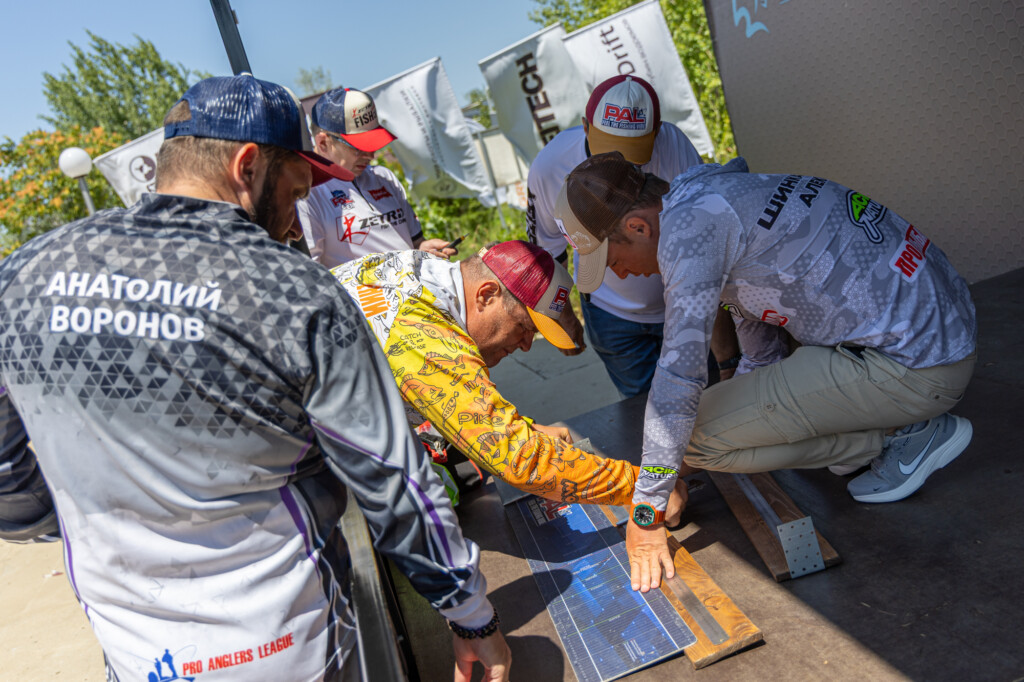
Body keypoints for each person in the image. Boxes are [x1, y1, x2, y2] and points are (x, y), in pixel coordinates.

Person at [0, 74, 510, 681]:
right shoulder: (294, 291)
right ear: (247, 167)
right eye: (295, 195)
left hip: (137, 656)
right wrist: (470, 615)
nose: (295, 226)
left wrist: (74, 515)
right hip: (290, 646)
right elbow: (392, 477)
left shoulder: (24, 275)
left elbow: (7, 478)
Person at [555, 152, 976, 593]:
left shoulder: (687, 232)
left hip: (919, 368)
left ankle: (899, 436)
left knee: (693, 434)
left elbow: (679, 377)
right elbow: (762, 346)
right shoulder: (710, 196)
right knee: (705, 426)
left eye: (613, 259)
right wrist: (742, 424)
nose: (621, 274)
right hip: (936, 338)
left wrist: (648, 508)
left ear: (639, 227)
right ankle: (880, 428)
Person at [330, 240, 687, 513]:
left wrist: (523, 428)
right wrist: (644, 488)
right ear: (487, 295)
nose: (527, 346)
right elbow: (516, 458)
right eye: (524, 327)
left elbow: (448, 399)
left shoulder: (419, 273)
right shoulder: (422, 332)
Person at [526, 74, 741, 393]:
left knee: (711, 398)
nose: (620, 165)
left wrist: (727, 357)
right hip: (611, 313)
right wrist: (559, 314)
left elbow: (706, 244)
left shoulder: (673, 145)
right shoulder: (550, 166)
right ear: (585, 127)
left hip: (683, 303)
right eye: (608, 151)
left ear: (656, 132)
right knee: (643, 409)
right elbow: (546, 250)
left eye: (634, 153)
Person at [297, 86, 456, 268]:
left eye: (372, 144)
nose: (371, 155)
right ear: (323, 143)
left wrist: (424, 249)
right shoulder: (306, 194)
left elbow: (415, 242)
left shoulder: (383, 177)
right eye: (358, 147)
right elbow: (311, 273)